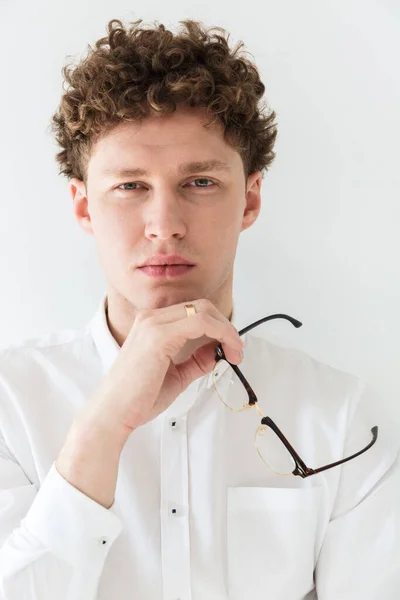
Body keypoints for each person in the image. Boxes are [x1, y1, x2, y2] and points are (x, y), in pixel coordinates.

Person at [0, 17, 398, 600]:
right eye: (130, 186)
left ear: (251, 198)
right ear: (84, 208)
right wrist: (104, 424)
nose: (164, 226)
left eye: (201, 182)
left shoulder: (340, 417)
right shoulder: (11, 406)